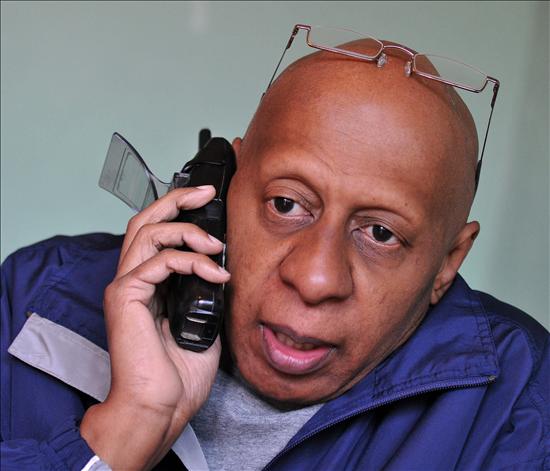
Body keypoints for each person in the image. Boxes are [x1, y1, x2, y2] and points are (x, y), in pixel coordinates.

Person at [1, 27, 549, 471]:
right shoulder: (34, 297)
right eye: (286, 204)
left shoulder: (520, 403)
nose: (315, 278)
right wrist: (125, 430)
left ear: (448, 264)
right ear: (224, 186)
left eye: (381, 234)